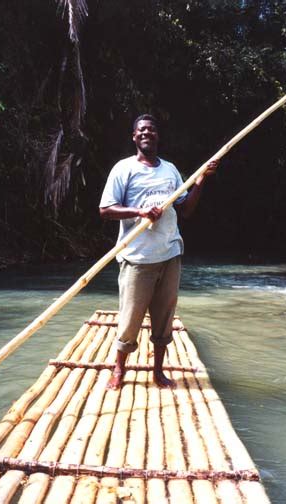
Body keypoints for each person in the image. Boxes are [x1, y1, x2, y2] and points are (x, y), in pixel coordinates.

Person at [99, 114, 217, 389]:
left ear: (157, 136)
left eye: (151, 130)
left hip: (169, 253)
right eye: (141, 130)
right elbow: (105, 210)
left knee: (164, 318)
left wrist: (200, 180)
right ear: (134, 136)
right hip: (137, 257)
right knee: (130, 317)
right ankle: (119, 369)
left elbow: (186, 209)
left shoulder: (171, 170)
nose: (146, 133)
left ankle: (158, 371)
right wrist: (139, 212)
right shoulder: (123, 169)